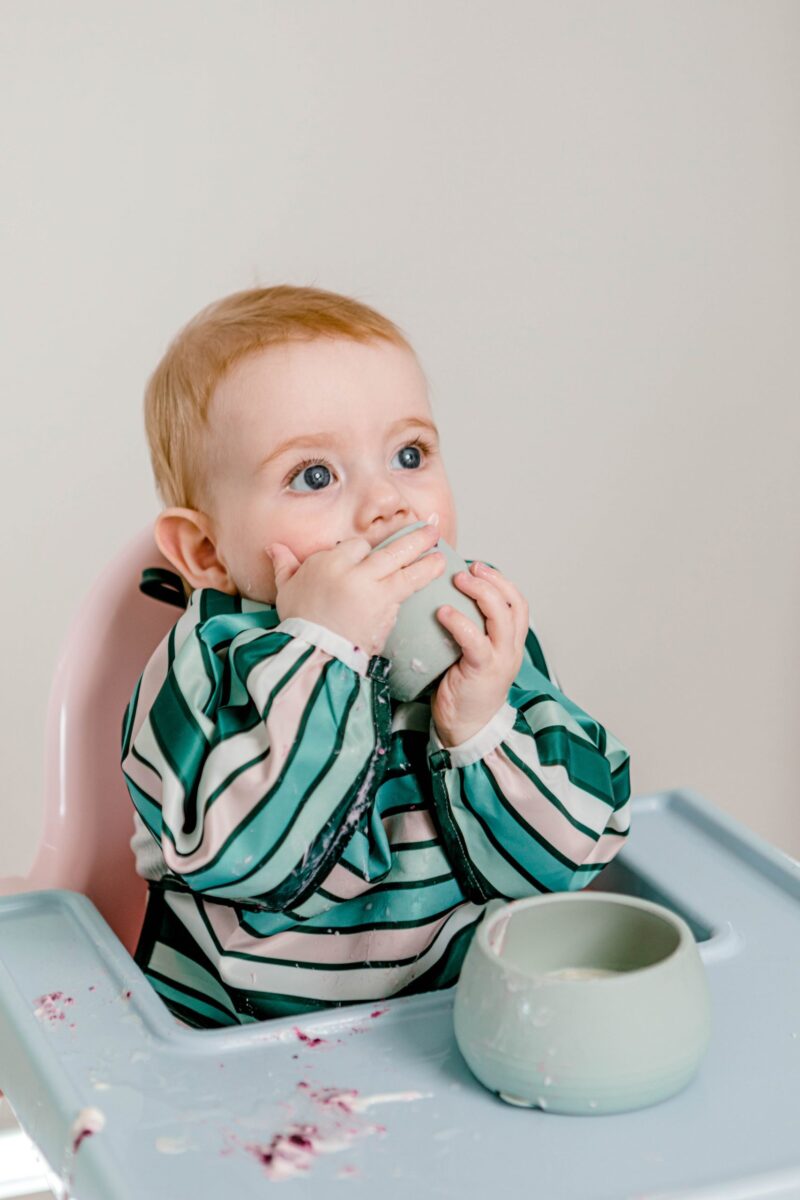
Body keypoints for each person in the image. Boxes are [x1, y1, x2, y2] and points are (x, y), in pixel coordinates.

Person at [121, 285, 632, 1028]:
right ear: (205, 551)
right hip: (241, 1049)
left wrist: (483, 726)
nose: (387, 503)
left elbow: (574, 858)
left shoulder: (474, 641)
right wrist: (325, 654)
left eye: (409, 454)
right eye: (315, 476)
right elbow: (246, 861)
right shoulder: (201, 666)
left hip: (455, 1030)